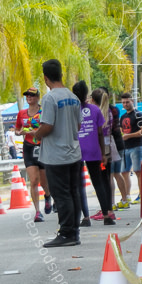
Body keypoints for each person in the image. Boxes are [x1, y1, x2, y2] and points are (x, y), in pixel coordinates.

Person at [34, 60, 84, 248]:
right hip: (74, 153)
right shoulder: (73, 97)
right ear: (61, 75)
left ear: (46, 78)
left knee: (61, 195)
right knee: (73, 193)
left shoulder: (50, 98)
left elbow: (47, 125)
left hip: (56, 156)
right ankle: (74, 232)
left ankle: (65, 234)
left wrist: (36, 135)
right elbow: (78, 125)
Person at [74, 81, 115, 226]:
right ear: (86, 94)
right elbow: (100, 133)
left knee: (80, 185)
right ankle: (106, 216)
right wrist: (103, 153)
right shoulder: (95, 110)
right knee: (98, 183)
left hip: (76, 151)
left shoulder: (71, 110)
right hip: (94, 150)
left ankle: (85, 218)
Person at [15, 88, 51, 222]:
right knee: (34, 180)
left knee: (44, 180)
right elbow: (17, 128)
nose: (29, 97)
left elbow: (49, 128)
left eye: (32, 95)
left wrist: (35, 131)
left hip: (43, 146)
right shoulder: (22, 113)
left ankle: (48, 195)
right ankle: (37, 212)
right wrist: (18, 132)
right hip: (29, 147)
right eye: (27, 95)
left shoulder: (44, 112)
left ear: (37, 97)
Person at [119, 93, 142, 201]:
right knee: (124, 172)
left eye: (127, 102)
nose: (125, 104)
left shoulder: (139, 114)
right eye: (123, 102)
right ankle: (127, 196)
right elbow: (122, 131)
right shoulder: (123, 116)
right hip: (125, 147)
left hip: (137, 146)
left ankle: (141, 195)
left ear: (132, 101)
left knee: (138, 171)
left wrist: (129, 136)